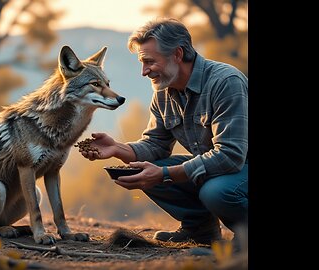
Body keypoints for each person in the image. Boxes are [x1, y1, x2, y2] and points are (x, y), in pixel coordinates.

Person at [80, 18, 248, 247]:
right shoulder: (163, 92)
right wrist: (117, 149)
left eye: (149, 61)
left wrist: (165, 174)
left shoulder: (225, 82)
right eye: (141, 62)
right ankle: (200, 230)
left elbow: (230, 156)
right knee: (145, 168)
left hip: (239, 166)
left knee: (214, 191)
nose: (143, 71)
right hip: (225, 169)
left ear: (177, 54)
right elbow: (155, 145)